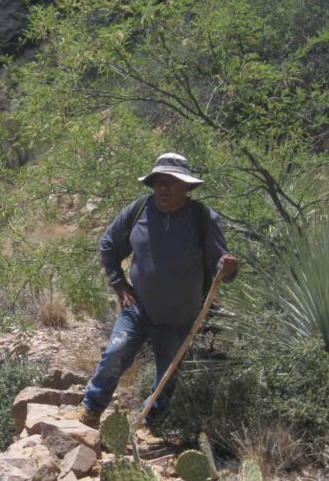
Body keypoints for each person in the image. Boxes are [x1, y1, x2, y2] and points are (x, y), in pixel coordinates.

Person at [70, 152, 239, 429]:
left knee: (167, 374)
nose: (163, 188)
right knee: (115, 354)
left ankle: (152, 422)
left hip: (181, 316)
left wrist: (228, 267)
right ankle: (91, 409)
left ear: (186, 187)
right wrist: (119, 284)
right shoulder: (139, 210)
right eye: (158, 181)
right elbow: (108, 245)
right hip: (138, 309)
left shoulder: (203, 218)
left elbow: (221, 265)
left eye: (171, 182)